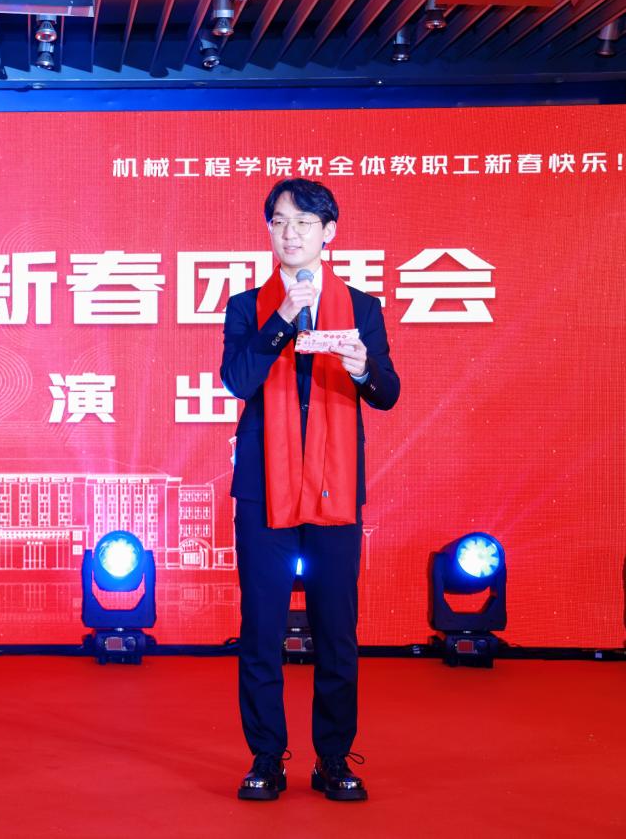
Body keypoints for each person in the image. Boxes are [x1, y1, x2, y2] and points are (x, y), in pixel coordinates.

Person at [220, 180, 399, 802]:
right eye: (278, 222)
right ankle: (266, 758)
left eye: (302, 222)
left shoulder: (363, 308)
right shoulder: (248, 307)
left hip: (334, 490)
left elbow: (388, 392)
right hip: (263, 491)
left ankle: (333, 759)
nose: (289, 233)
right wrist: (281, 321)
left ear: (330, 232)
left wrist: (362, 367)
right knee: (261, 629)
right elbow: (238, 380)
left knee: (336, 631)